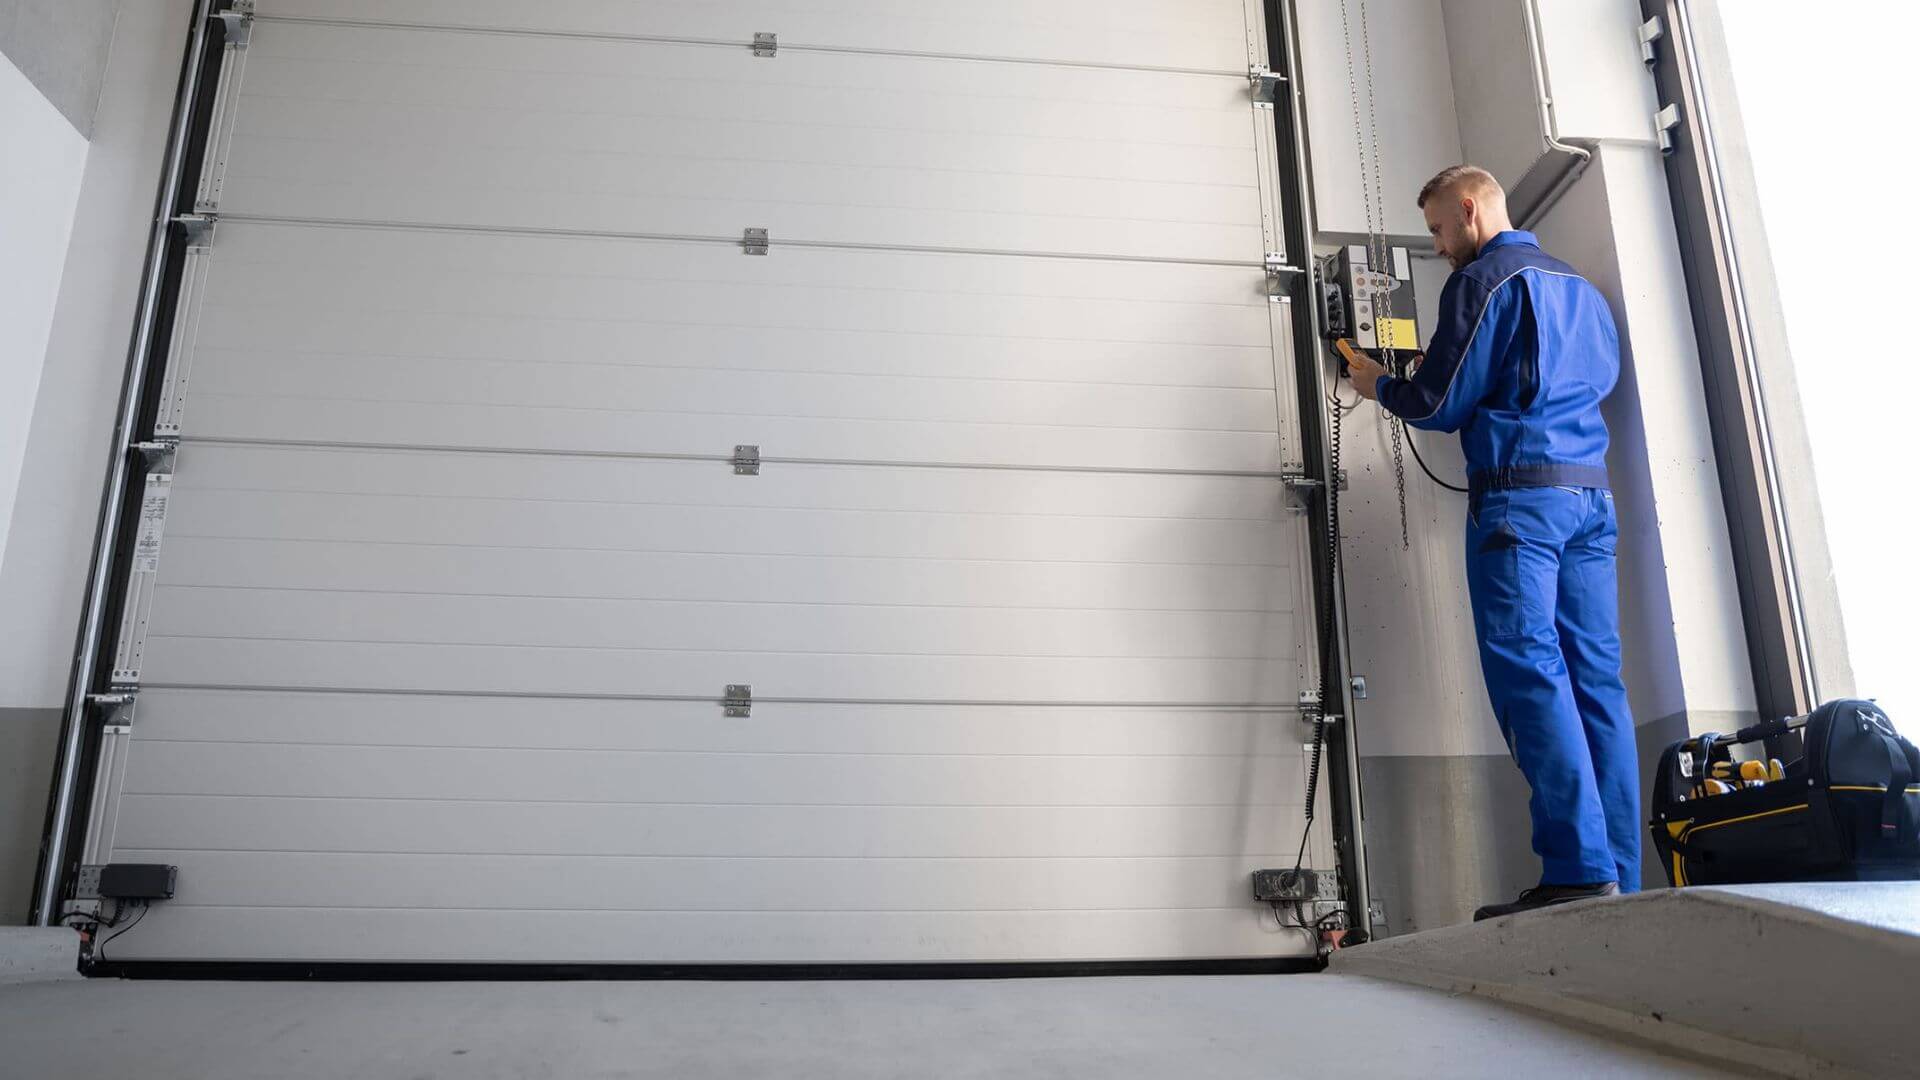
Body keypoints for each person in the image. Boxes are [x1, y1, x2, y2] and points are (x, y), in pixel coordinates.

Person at [1343, 165, 1640, 919]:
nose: (1440, 246)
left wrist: (1376, 379)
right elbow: (1592, 380)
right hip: (1591, 500)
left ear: (1471, 210)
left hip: (1521, 506)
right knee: (1596, 684)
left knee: (1530, 674)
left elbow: (1437, 402)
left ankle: (1577, 871)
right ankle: (1621, 883)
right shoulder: (1583, 291)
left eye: (1440, 229)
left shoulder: (1486, 282)